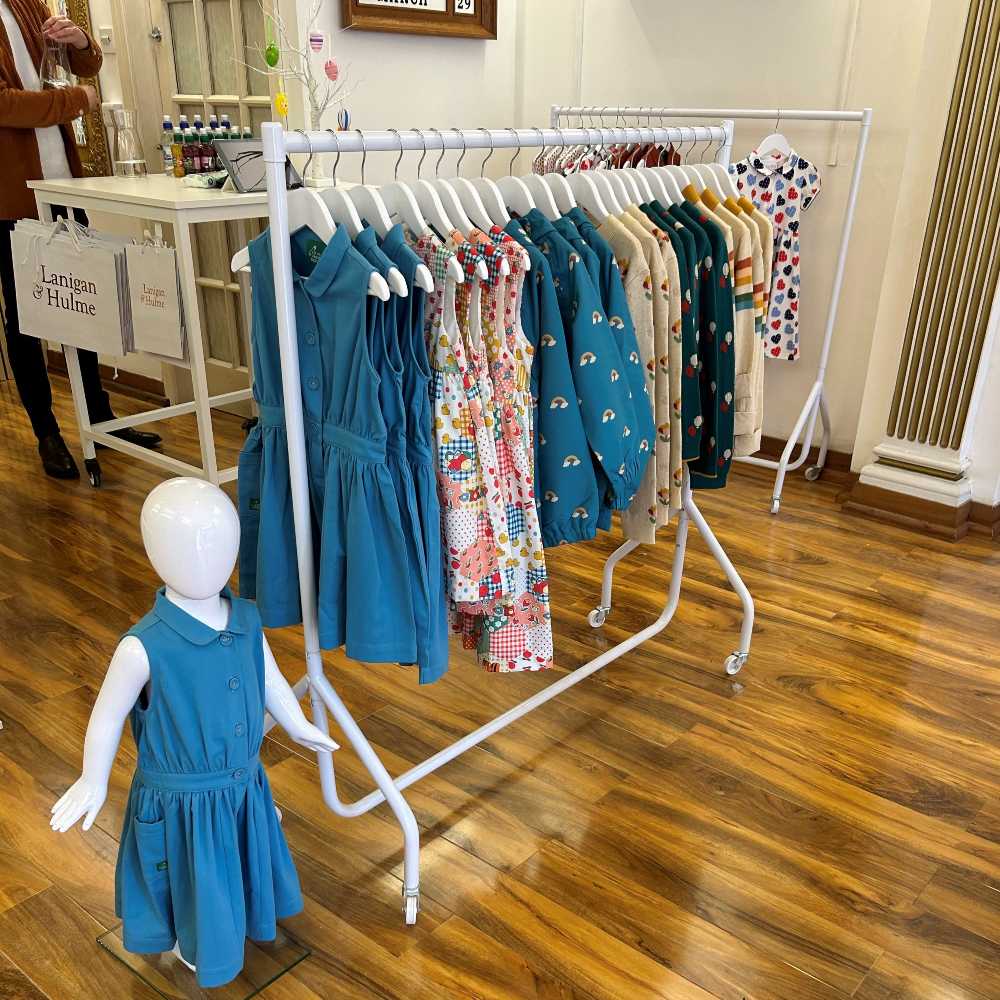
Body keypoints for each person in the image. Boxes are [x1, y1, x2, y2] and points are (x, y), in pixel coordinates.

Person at [1, 0, 160, 479]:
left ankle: (100, 418)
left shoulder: (27, 4)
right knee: (26, 316)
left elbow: (84, 65)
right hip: (9, 196)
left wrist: (83, 43)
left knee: (83, 299)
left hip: (63, 182)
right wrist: (77, 102)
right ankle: (46, 431)